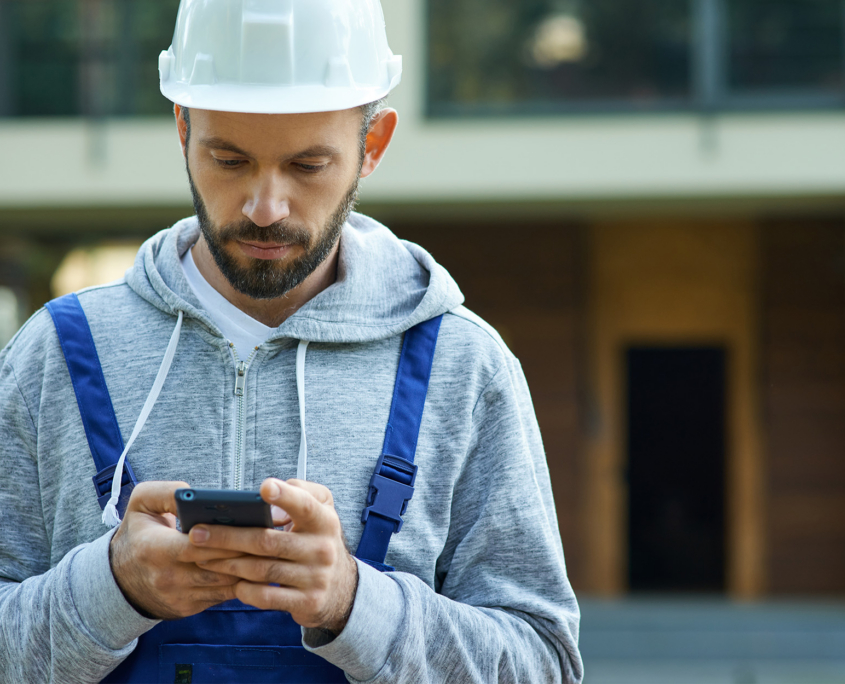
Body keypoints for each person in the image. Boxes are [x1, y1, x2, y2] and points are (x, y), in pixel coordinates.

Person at [0, 0, 583, 682]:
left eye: (307, 166)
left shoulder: (463, 366)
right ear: (182, 129)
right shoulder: (56, 357)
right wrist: (109, 588)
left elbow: (543, 666)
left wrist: (351, 602)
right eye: (229, 159)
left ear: (373, 145)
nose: (265, 207)